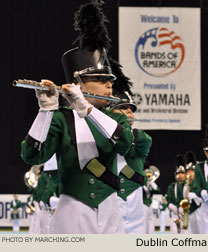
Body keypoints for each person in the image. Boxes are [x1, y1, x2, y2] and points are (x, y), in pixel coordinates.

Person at [21, 1, 133, 233]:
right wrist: (45, 111)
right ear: (78, 85)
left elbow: (123, 143)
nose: (109, 87)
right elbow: (32, 155)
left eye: (110, 81)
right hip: (72, 211)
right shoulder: (62, 119)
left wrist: (87, 110)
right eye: (101, 81)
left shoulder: (116, 118)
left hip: (111, 210)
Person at [110, 62, 152, 234]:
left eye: (131, 109)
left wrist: (123, 130)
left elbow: (145, 140)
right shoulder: (100, 138)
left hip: (134, 200)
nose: (129, 112)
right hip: (110, 196)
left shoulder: (138, 138)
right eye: (123, 108)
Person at [177, 151, 202, 234]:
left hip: (199, 212)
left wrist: (194, 196)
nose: (189, 174)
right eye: (187, 171)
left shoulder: (200, 182)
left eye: (192, 171)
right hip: (189, 213)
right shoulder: (184, 185)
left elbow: (203, 199)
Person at [166, 155, 186, 234]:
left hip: (185, 214)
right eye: (178, 173)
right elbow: (168, 201)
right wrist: (172, 207)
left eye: (182, 173)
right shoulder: (172, 186)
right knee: (174, 233)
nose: (180, 175)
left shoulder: (187, 185)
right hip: (175, 215)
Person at [143, 162, 160, 234]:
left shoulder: (150, 184)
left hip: (150, 204)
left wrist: (152, 183)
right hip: (142, 204)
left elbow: (157, 191)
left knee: (151, 222)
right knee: (144, 222)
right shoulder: (141, 183)